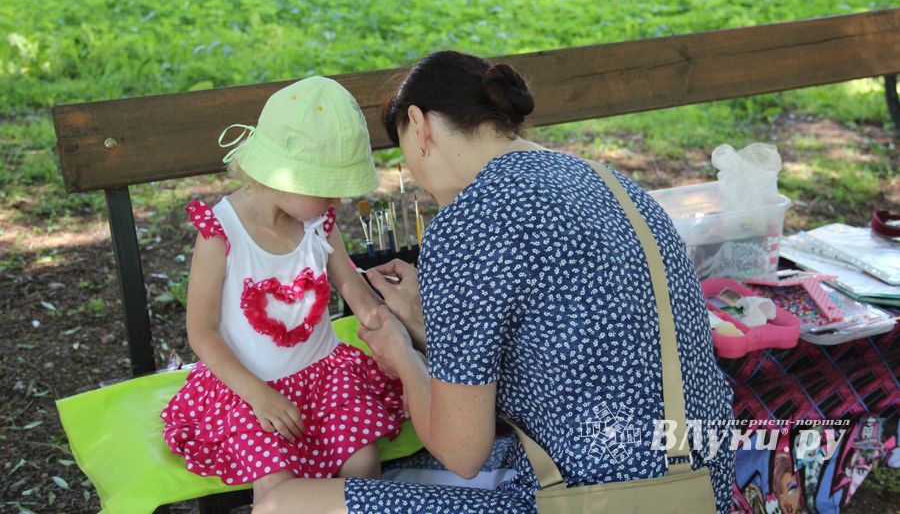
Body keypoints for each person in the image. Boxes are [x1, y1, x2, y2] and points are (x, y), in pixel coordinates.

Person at [254, 51, 735, 513]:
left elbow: (460, 453)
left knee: (283, 504)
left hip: (583, 499)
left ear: (420, 126)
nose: (417, 179)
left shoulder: (469, 221)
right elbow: (570, 346)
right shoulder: (608, 180)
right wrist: (431, 318)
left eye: (407, 159)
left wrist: (402, 355)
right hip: (696, 484)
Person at [160, 77, 406, 504]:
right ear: (285, 177)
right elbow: (201, 332)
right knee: (277, 486)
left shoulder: (316, 220)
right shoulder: (222, 233)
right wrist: (259, 396)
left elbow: (348, 279)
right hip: (251, 388)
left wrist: (381, 320)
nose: (338, 205)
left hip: (327, 378)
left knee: (364, 465)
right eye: (328, 191)